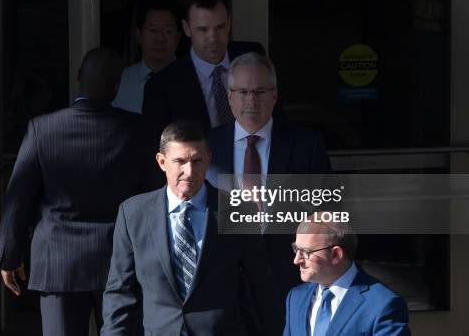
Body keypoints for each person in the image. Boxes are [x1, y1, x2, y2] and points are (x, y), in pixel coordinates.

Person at [0, 48, 159, 336]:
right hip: (119, 260)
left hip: (58, 263)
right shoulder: (138, 130)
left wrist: (10, 256)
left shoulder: (42, 129)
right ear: (116, 87)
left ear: (78, 78)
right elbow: (152, 196)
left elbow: (18, 200)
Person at [101, 120, 282, 336]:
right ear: (161, 161)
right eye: (180, 161)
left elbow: (260, 286)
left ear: (209, 160)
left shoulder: (237, 210)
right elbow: (120, 293)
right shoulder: (133, 214)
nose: (189, 171)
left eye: (197, 161)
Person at [207, 52, 332, 303]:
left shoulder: (306, 145)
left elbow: (326, 211)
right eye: (243, 92)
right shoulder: (206, 147)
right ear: (230, 97)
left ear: (274, 95)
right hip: (224, 281)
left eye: (260, 92)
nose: (251, 100)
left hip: (289, 278)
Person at [142, 0, 265, 132]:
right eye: (203, 30)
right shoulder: (162, 86)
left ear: (229, 23)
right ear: (187, 28)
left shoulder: (252, 57)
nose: (213, 38)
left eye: (220, 27)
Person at [283, 212, 411, 336]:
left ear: (336, 255)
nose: (296, 260)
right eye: (296, 249)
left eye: (306, 252)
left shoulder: (382, 305)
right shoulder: (296, 297)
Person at [112, 2, 181, 113]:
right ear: (139, 35)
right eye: (153, 30)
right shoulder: (122, 80)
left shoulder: (192, 78)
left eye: (168, 31)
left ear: (178, 37)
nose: (160, 39)